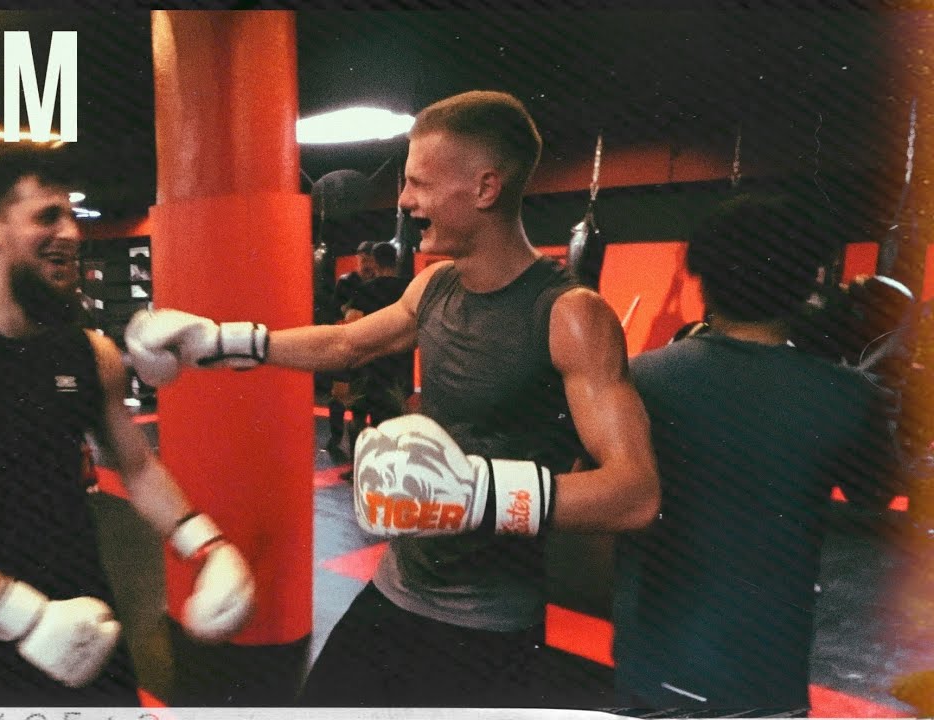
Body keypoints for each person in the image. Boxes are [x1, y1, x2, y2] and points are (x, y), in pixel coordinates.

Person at [125, 90, 660, 707]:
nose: (404, 201)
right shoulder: (434, 286)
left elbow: (634, 492)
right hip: (395, 591)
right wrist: (219, 340)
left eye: (418, 183)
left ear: (484, 189)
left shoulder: (568, 315)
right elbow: (347, 344)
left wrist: (472, 492)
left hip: (488, 626)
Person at [0, 149, 256, 707]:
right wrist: (24, 617)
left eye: (72, 216)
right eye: (47, 216)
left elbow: (137, 466)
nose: (71, 233)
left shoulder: (90, 353)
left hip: (91, 621)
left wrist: (205, 542)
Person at [610, 194, 896, 715]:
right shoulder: (847, 396)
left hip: (653, 664)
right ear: (809, 282)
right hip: (764, 676)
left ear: (702, 276)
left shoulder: (639, 378)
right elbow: (877, 489)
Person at [339, 240, 414, 480]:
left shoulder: (366, 289)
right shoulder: (409, 289)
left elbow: (353, 325)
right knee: (393, 422)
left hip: (368, 366)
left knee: (359, 420)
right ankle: (392, 472)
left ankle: (359, 469)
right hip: (399, 366)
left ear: (375, 261)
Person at [325, 241, 379, 455]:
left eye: (369, 260)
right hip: (347, 344)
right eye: (363, 260)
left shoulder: (378, 284)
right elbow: (334, 312)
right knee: (339, 395)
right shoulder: (347, 282)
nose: (366, 264)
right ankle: (336, 438)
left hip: (369, 347)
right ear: (358, 260)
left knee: (361, 399)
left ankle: (359, 447)